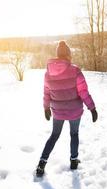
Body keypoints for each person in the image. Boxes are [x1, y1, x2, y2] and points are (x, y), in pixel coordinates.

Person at [36, 41, 98, 177]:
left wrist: (46, 108)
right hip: (74, 111)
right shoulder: (75, 70)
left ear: (58, 55)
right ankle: (74, 160)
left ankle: (42, 163)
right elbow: (83, 92)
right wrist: (92, 108)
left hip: (57, 111)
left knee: (54, 135)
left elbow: (46, 92)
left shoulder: (48, 74)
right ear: (69, 55)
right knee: (74, 134)